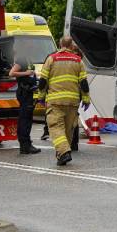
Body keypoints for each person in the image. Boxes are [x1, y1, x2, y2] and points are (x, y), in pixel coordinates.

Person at [38, 36, 88, 166]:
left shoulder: (52, 59)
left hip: (55, 101)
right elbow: (83, 83)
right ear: (72, 46)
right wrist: (86, 99)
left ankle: (64, 152)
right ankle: (62, 155)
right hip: (72, 101)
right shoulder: (78, 61)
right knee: (68, 130)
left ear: (60, 45)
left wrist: (41, 97)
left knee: (55, 127)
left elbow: (43, 81)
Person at [9, 51, 41, 155]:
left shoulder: (28, 60)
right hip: (24, 93)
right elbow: (11, 73)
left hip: (28, 93)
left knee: (27, 118)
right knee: (25, 119)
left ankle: (26, 144)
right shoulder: (22, 59)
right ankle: (25, 145)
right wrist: (27, 73)